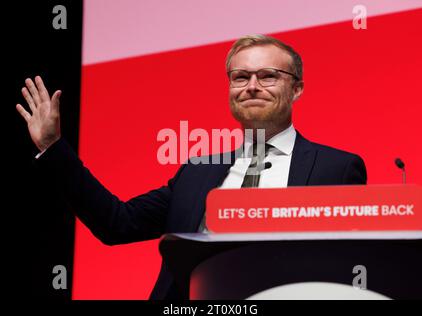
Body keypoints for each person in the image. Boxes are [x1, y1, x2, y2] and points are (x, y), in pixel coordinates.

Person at [16, 34, 367, 300]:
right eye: (240, 77)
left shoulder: (337, 168)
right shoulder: (197, 171)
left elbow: (345, 267)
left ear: (298, 89)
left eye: (268, 76)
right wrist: (53, 148)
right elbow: (117, 224)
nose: (252, 87)